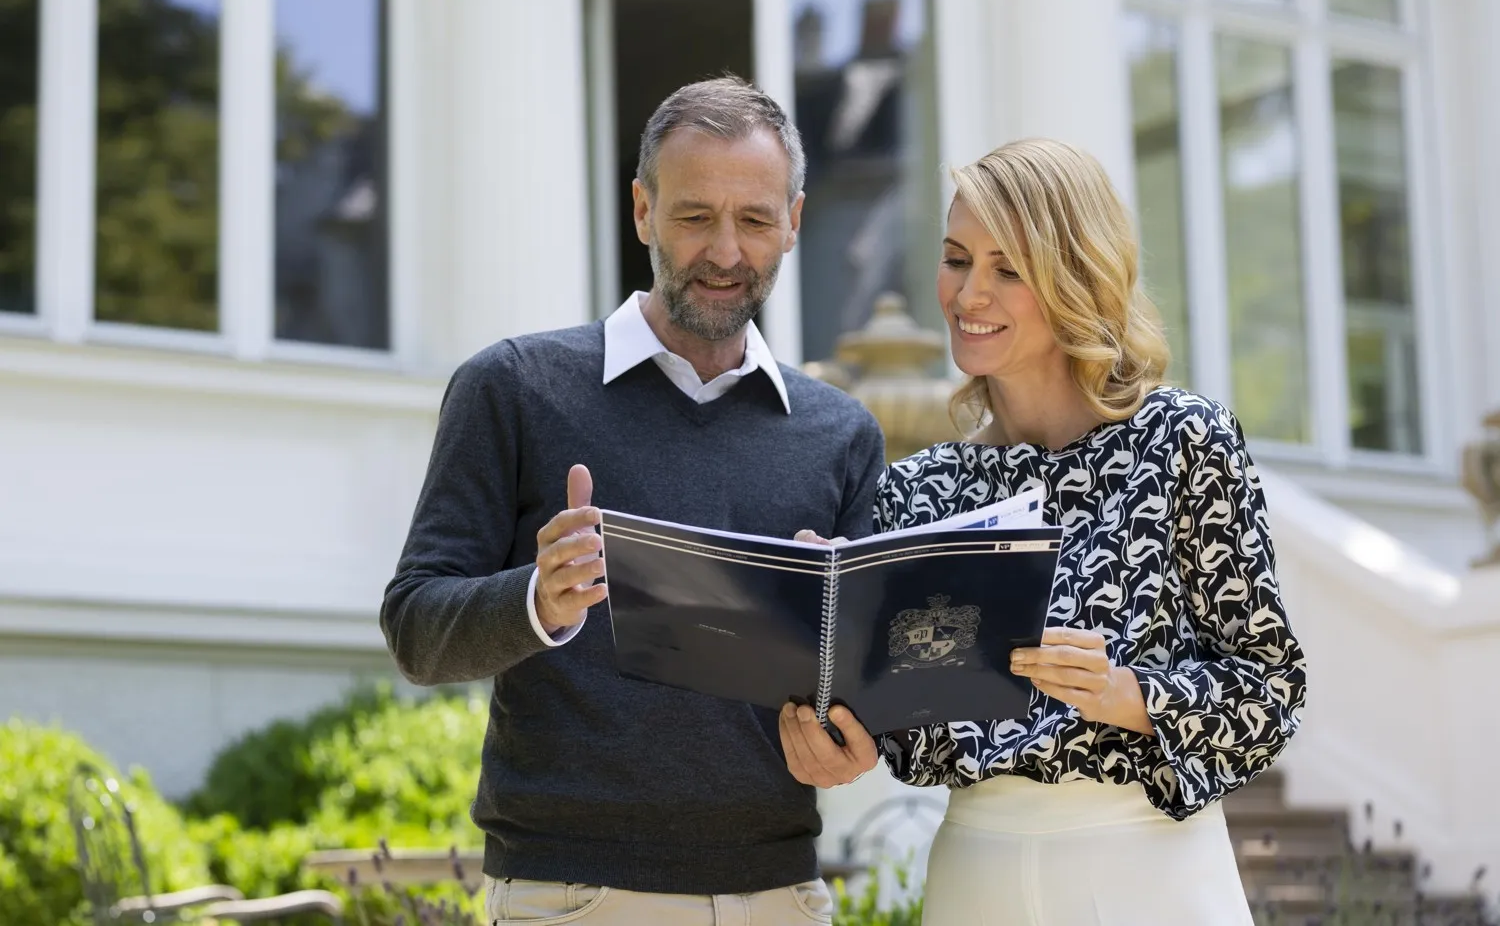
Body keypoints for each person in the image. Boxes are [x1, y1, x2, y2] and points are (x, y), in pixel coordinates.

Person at [381, 76, 886, 926]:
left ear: (794, 222)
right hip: (576, 897)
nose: (726, 251)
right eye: (695, 217)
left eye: (755, 220)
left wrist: (847, 743)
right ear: (643, 210)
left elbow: (863, 698)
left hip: (782, 900)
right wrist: (536, 600)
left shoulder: (840, 433)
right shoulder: (512, 388)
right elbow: (415, 632)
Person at [783, 138, 1307, 924]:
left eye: (1008, 269)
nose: (968, 294)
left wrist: (1125, 694)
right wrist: (834, 686)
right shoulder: (921, 490)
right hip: (974, 877)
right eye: (958, 259)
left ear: (1075, 279)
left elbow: (1271, 689)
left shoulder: (1181, 441)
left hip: (1149, 870)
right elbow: (913, 741)